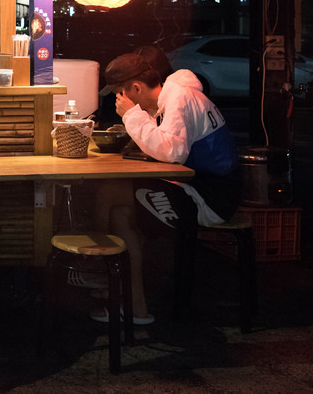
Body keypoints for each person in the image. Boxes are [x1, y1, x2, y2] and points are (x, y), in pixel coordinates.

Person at [89, 46, 241, 324]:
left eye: (119, 93)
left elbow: (172, 152)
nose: (117, 100)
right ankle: (136, 308)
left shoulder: (180, 97)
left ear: (134, 88)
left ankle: (97, 270)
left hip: (209, 198)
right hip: (195, 187)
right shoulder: (174, 97)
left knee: (108, 191)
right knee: (119, 215)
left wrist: (131, 115)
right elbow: (168, 145)